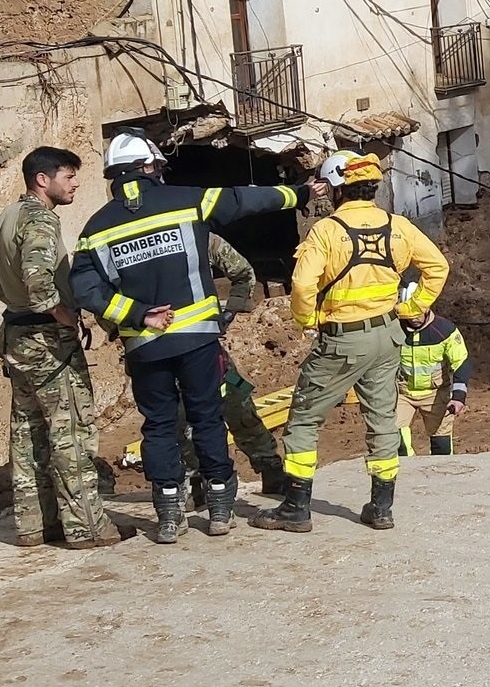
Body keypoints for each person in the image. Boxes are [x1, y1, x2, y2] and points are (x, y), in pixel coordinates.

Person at [70, 131, 316, 544]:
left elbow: (85, 290)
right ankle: (219, 508)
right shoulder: (186, 200)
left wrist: (135, 314)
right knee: (207, 418)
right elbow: (245, 200)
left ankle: (169, 515)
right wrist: (300, 193)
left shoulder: (95, 229)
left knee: (159, 426)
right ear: (149, 168)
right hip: (199, 340)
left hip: (146, 347)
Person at [252, 151, 448, 534]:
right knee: (381, 421)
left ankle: (296, 507)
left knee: (305, 419)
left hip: (342, 340)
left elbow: (304, 284)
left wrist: (307, 319)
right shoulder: (398, 226)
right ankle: (381, 508)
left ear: (338, 189)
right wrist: (413, 307)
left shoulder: (326, 231)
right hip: (387, 336)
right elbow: (438, 267)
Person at [0, 146, 118, 550]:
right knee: (70, 430)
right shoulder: (40, 221)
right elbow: (40, 280)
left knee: (27, 432)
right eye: (68, 176)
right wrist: (60, 313)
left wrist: (12, 300)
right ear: (43, 179)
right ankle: (86, 528)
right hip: (48, 342)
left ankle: (34, 525)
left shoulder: (5, 219)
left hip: (17, 337)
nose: (75, 184)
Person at [177, 234, 287, 506]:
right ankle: (195, 482)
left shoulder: (198, 235)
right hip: (161, 352)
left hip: (206, 347)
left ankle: (270, 467)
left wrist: (230, 313)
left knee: (237, 403)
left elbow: (243, 272)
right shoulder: (128, 240)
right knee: (179, 418)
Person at [396, 298, 471, 458]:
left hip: (435, 394)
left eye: (418, 312)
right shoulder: (393, 329)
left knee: (441, 445)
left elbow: (461, 362)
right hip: (402, 393)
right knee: (395, 438)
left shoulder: (445, 330)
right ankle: (408, 473)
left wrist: (458, 397)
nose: (414, 318)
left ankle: (442, 479)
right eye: (410, 313)